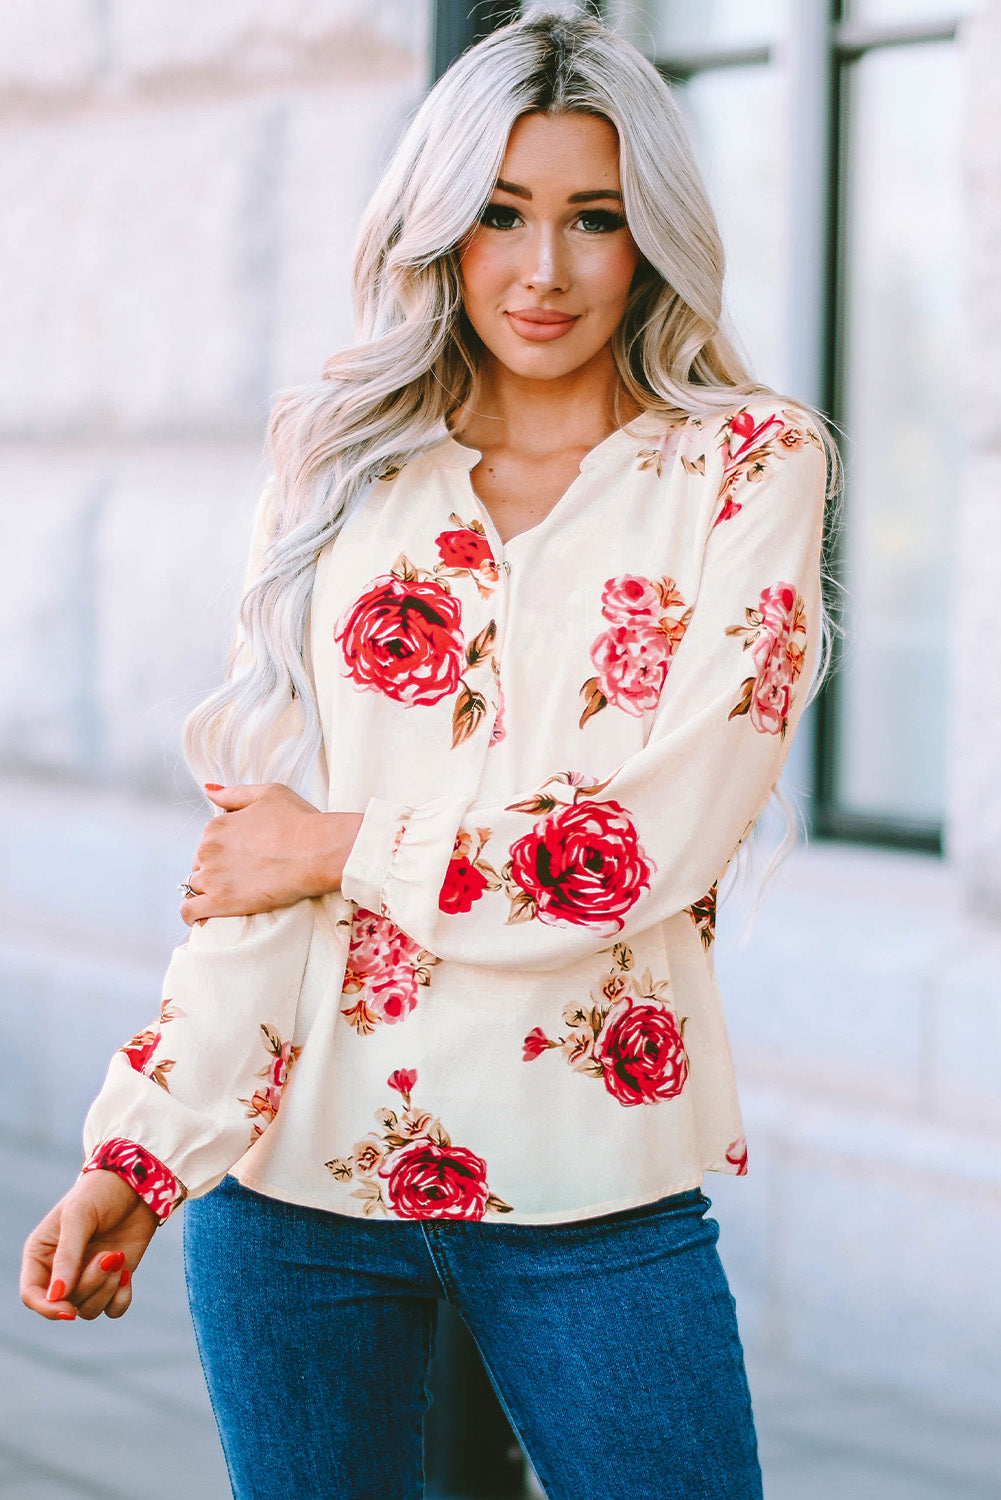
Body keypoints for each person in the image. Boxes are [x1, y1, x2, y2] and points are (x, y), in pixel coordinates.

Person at [20, 7, 835, 1498]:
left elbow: (639, 853)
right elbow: (250, 866)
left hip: (595, 1190)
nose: (543, 268)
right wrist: (139, 1152)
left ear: (648, 231)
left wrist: (341, 848)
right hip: (292, 1194)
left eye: (593, 216)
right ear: (437, 229)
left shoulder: (747, 467)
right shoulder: (341, 467)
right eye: (499, 214)